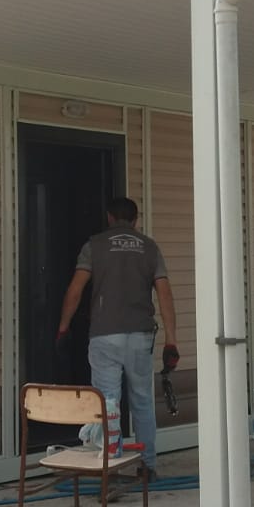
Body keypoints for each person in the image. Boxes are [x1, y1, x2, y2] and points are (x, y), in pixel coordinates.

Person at [56, 198, 177, 479]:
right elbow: (164, 293)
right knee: (142, 401)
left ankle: (109, 465)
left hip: (105, 335)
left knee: (107, 404)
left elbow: (76, 289)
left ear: (109, 217)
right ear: (136, 219)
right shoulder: (149, 247)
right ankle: (147, 465)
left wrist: (63, 327)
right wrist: (171, 340)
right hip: (140, 335)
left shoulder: (94, 245)